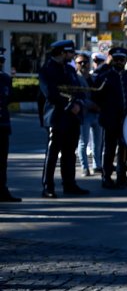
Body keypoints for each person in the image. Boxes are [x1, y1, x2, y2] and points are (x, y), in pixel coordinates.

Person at [40, 39, 89, 198]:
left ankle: (69, 184)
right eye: (70, 53)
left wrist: (79, 103)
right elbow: (51, 93)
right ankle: (48, 187)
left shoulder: (69, 69)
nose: (73, 55)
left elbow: (78, 90)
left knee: (69, 152)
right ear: (62, 53)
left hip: (72, 118)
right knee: (53, 153)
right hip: (56, 116)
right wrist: (69, 105)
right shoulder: (47, 70)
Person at [93, 47, 127, 190]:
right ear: (112, 60)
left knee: (124, 149)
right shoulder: (105, 76)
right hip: (110, 118)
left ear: (126, 60)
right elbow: (97, 97)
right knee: (109, 149)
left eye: (122, 59)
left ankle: (122, 176)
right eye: (116, 59)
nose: (119, 62)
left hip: (126, 118)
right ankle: (106, 177)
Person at [73, 53, 102, 177]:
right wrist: (91, 105)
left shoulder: (94, 77)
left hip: (97, 113)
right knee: (83, 142)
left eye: (85, 62)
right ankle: (85, 167)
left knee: (98, 142)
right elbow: (76, 96)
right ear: (76, 64)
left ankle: (97, 165)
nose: (83, 64)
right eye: (80, 63)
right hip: (84, 114)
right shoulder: (75, 78)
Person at [0, 50, 16, 202]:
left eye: (1, 61)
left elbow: (8, 98)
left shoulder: (5, 79)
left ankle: (2, 190)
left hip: (3, 124)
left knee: (3, 161)